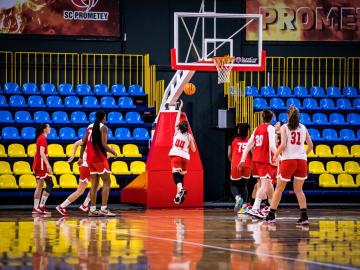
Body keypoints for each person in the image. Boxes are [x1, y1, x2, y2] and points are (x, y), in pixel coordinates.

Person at [265, 106, 313, 225]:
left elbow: (283, 145)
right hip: (301, 161)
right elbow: (311, 146)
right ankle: (304, 216)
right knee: (299, 190)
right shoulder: (303, 127)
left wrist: (275, 155)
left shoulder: (284, 127)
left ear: (287, 116)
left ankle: (271, 215)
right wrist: (303, 154)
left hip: (288, 161)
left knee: (279, 189)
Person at [238, 110, 277, 219]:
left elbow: (249, 145)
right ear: (272, 118)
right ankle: (255, 208)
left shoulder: (256, 129)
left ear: (262, 118)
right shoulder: (270, 128)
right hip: (264, 160)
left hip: (255, 160)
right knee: (264, 185)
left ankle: (271, 208)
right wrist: (281, 157)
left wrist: (242, 159)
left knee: (268, 185)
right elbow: (273, 147)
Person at [80, 110, 117, 217]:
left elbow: (83, 142)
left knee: (94, 184)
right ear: (104, 117)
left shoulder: (89, 126)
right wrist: (113, 151)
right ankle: (104, 209)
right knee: (107, 182)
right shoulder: (103, 127)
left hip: (90, 159)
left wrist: (81, 157)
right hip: (99, 158)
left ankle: (92, 209)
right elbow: (104, 145)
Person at [55, 139, 101, 216]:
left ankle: (82, 205)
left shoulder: (87, 138)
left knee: (86, 189)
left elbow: (76, 143)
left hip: (84, 166)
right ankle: (63, 206)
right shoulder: (95, 142)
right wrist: (111, 153)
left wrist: (73, 156)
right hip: (87, 167)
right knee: (83, 190)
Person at [169, 100, 196, 204]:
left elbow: (177, 118)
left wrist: (180, 108)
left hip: (176, 155)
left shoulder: (176, 130)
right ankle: (178, 197)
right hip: (185, 157)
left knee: (176, 177)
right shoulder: (189, 136)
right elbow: (193, 150)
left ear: (179, 126)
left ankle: (180, 191)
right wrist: (189, 144)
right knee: (180, 177)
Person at [227, 123, 251, 213]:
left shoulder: (232, 139)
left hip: (236, 164)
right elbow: (252, 152)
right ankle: (244, 207)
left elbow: (229, 154)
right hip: (247, 164)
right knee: (244, 185)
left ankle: (237, 197)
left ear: (239, 130)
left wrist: (232, 162)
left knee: (233, 184)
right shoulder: (249, 139)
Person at [32, 123, 53, 214]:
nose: (50, 128)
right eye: (48, 127)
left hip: (39, 164)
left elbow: (35, 152)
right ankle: (38, 207)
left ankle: (38, 207)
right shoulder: (42, 138)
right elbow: (41, 153)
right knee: (47, 184)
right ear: (44, 129)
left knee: (42, 185)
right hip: (41, 165)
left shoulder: (40, 138)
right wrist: (48, 165)